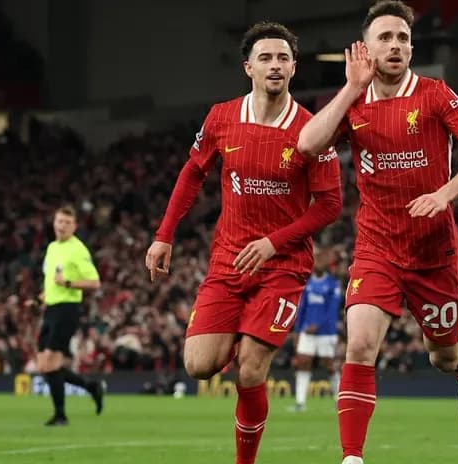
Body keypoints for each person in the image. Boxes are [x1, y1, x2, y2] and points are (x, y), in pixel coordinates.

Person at [297, 2, 458, 462]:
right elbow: (307, 145)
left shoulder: (434, 94)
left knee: (442, 356)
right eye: (385, 37)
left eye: (403, 38)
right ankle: (352, 457)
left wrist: (444, 194)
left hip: (433, 251)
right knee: (361, 344)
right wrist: (350, 88)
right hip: (377, 246)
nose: (395, 46)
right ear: (365, 49)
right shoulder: (355, 103)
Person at [144, 21, 342, 464]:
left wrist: (274, 243)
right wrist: (164, 236)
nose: (275, 65)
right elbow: (193, 173)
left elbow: (329, 205)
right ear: (248, 67)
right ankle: (243, 329)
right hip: (228, 261)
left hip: (283, 266)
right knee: (198, 364)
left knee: (251, 371)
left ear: (294, 67)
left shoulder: (313, 130)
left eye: (283, 58)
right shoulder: (221, 117)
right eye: (266, 58)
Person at [37, 205, 105, 426]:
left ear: (74, 226)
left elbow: (95, 282)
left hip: (67, 309)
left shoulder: (78, 250)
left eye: (67, 222)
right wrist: (39, 298)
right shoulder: (52, 248)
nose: (62, 226)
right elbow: (50, 281)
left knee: (50, 362)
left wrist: (67, 283)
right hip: (50, 308)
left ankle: (60, 415)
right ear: (54, 223)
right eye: (59, 221)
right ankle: (90, 386)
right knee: (44, 365)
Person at [290, 247, 343, 412]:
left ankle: (339, 400)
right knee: (303, 363)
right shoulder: (307, 284)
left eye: (321, 260)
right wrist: (298, 331)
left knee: (329, 365)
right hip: (307, 331)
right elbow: (302, 308)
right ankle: (300, 403)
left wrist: (317, 325)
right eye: (316, 260)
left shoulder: (333, 285)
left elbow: (332, 311)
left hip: (326, 332)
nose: (318, 263)